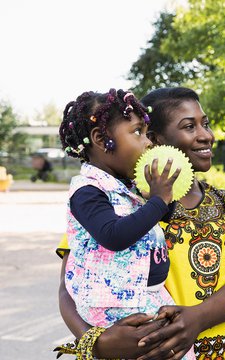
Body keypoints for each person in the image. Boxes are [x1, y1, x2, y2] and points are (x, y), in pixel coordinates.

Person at [57, 87, 225, 360]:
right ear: (155, 141)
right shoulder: (117, 204)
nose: (206, 135)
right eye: (189, 126)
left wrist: (197, 318)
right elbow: (71, 285)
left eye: (206, 124)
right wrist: (96, 341)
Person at [55, 88, 195, 359]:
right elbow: (113, 235)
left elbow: (162, 217)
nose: (148, 142)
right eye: (137, 132)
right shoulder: (87, 191)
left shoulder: (128, 187)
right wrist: (157, 200)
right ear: (100, 139)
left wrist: (162, 198)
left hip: (146, 296)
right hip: (113, 304)